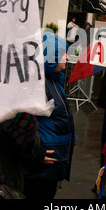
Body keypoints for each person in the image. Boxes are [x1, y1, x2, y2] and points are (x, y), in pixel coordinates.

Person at [22, 32, 76, 199]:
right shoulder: (36, 85)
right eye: (62, 53)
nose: (67, 57)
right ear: (51, 56)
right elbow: (22, 126)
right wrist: (37, 153)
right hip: (40, 169)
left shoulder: (51, 80)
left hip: (51, 166)